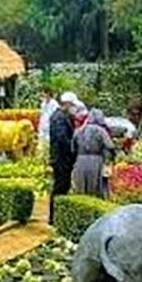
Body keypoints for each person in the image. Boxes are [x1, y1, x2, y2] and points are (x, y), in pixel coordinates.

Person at [48, 93, 82, 224]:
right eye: (72, 105)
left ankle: (57, 216)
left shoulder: (64, 116)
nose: (73, 108)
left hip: (63, 157)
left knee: (63, 185)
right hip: (60, 158)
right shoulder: (59, 118)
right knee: (60, 186)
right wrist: (73, 149)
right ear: (66, 104)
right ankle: (54, 217)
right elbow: (62, 139)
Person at [72, 108, 118, 199]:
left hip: (80, 161)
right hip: (96, 161)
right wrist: (111, 158)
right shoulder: (101, 131)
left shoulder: (79, 130)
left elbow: (73, 147)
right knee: (96, 188)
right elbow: (110, 146)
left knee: (81, 188)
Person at [38, 88, 59, 156]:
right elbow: (42, 115)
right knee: (42, 144)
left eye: (44, 93)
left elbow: (55, 116)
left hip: (50, 126)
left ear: (48, 94)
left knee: (49, 144)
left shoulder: (54, 104)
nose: (43, 95)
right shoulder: (43, 104)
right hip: (43, 125)